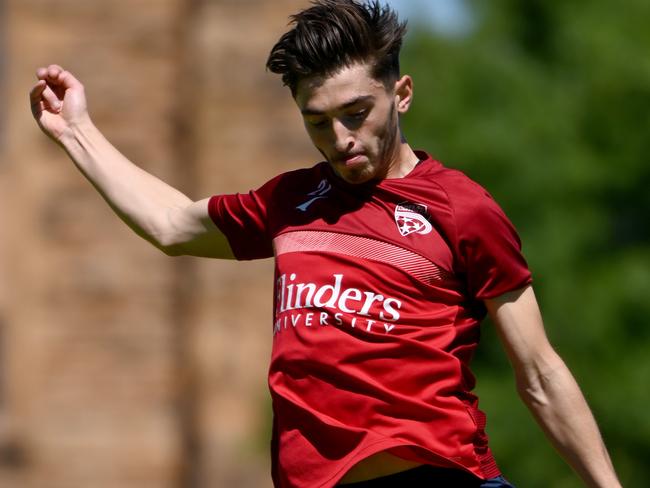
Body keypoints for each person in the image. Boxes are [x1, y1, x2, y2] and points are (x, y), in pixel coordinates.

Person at [29, 1, 621, 487]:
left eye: (356, 113)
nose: (341, 140)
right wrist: (77, 131)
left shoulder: (462, 208)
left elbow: (539, 373)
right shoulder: (291, 201)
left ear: (402, 94)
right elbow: (173, 226)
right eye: (318, 122)